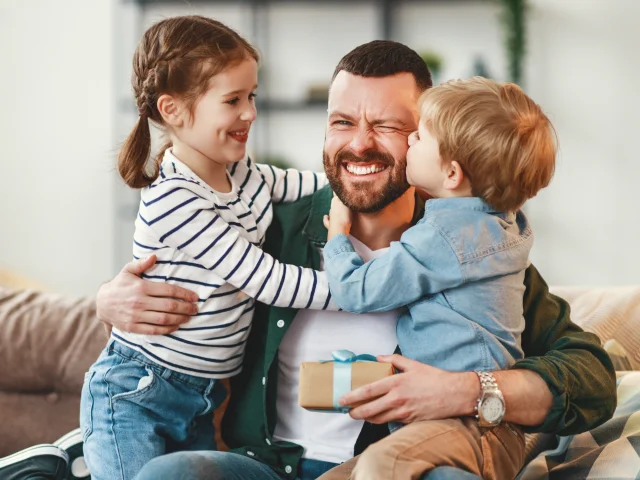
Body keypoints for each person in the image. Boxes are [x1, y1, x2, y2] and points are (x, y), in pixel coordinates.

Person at [95, 41, 616, 480]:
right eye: (343, 121)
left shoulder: (471, 249)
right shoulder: (269, 227)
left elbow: (592, 379)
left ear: (431, 142)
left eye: (389, 126)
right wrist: (108, 300)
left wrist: (461, 390)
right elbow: (175, 283)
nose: (359, 143)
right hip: (269, 468)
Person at [80, 16, 337, 480]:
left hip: (202, 396)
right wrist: (357, 289)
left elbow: (311, 185)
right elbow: (263, 277)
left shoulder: (242, 172)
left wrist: (376, 182)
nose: (250, 113)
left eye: (252, 97)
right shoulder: (175, 199)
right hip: (139, 391)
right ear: (174, 110)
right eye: (233, 100)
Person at [321, 77, 556, 479]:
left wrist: (338, 237)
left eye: (419, 135)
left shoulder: (446, 238)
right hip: (471, 430)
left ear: (451, 174)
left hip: (471, 428)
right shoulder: (498, 226)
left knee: (383, 464)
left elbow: (356, 291)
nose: (411, 139)